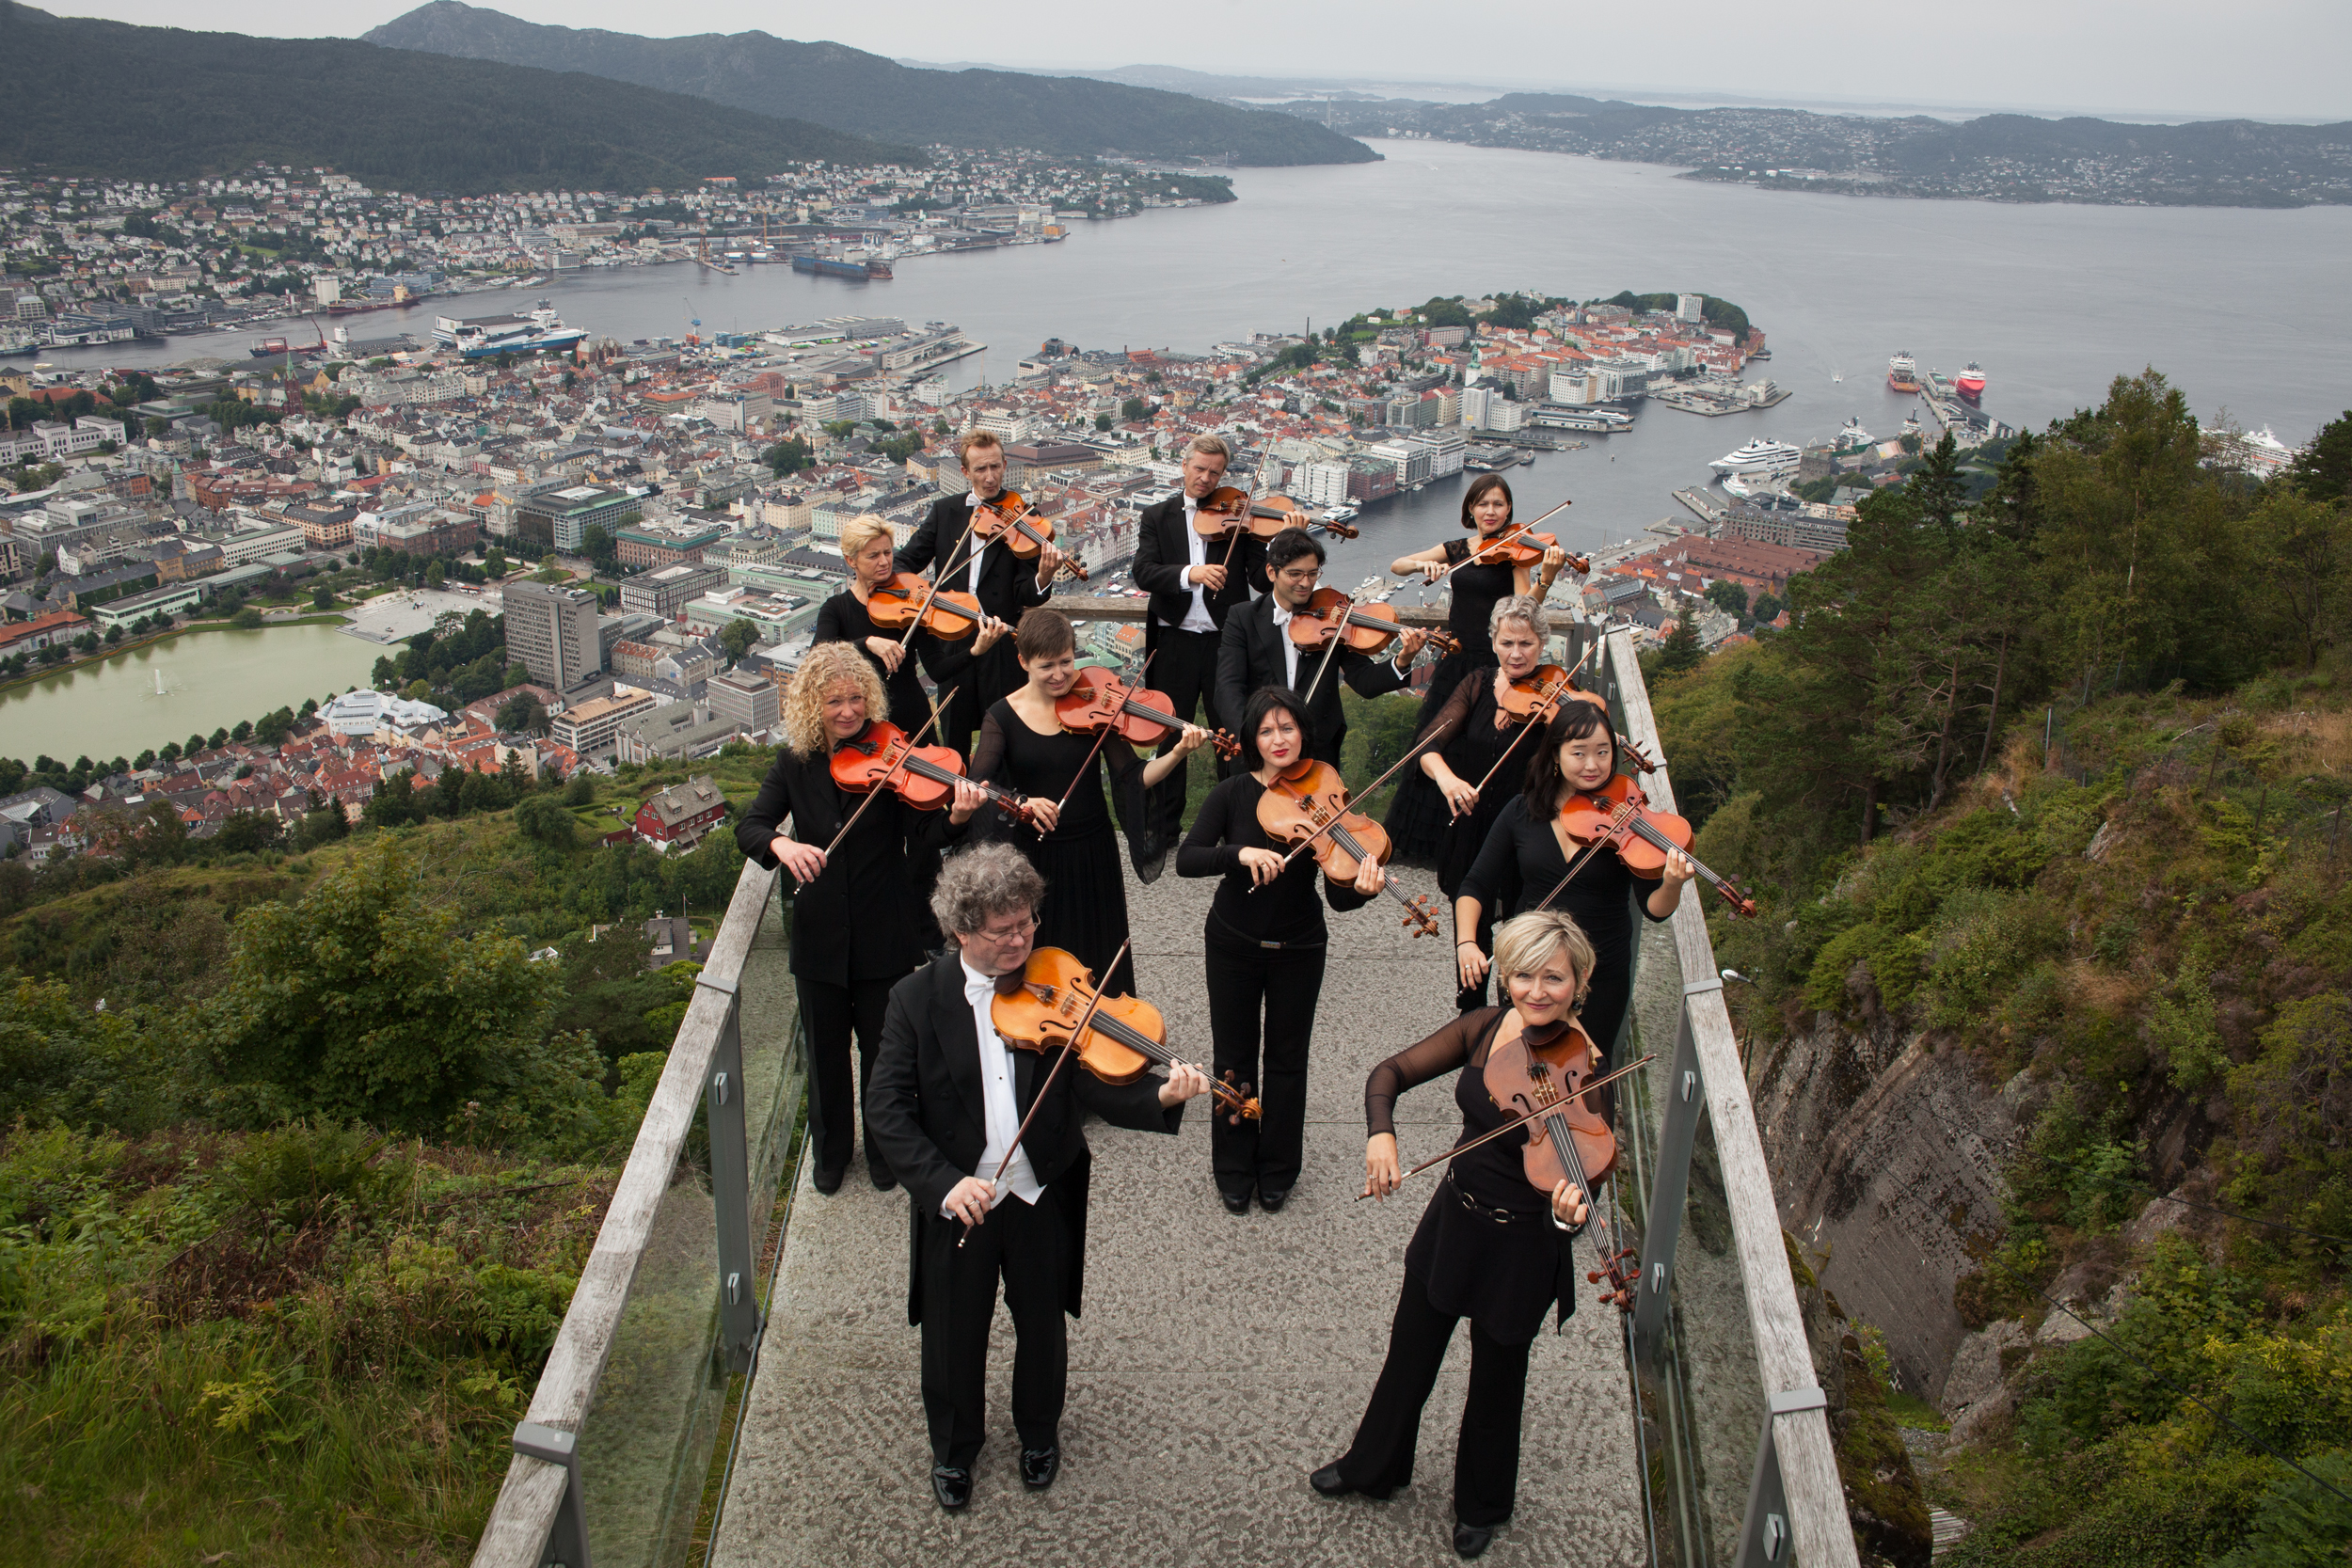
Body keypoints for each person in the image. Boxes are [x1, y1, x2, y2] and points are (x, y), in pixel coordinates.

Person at [864, 842, 1211, 1510]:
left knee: (1043, 1325)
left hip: (1039, 1188)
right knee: (952, 1332)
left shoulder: (1054, 979)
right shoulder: (914, 998)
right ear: (962, 929)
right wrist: (942, 1184)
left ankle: (1039, 1433)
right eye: (1004, 930)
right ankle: (955, 1448)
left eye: (1027, 922)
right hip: (962, 1198)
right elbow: (884, 1108)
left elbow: (1093, 1080)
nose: (1021, 938)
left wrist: (1160, 1098)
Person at [1311, 910, 1601, 1560]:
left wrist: (1570, 1208)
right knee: (1410, 1351)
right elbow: (1388, 1073)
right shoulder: (1486, 1026)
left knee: (1498, 1379)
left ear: (1578, 981)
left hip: (1523, 1244)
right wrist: (1380, 1133)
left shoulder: (1587, 1065)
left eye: (1552, 978)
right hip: (1455, 1216)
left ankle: (1483, 1504)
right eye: (1522, 974)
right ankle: (1374, 1466)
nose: (1536, 991)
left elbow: (1591, 1172)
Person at [737, 643, 988, 1195]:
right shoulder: (793, 766)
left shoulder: (892, 755)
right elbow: (751, 827)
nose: (848, 712)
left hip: (884, 924)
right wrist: (781, 846)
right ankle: (829, 1156)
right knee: (826, 1057)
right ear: (811, 706)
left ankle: (885, 1152)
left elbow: (922, 836)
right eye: (834, 702)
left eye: (856, 699)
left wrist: (956, 817)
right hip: (820, 934)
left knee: (884, 1056)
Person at [1176, 687, 1384, 1213]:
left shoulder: (1325, 789)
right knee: (1234, 1058)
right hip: (1232, 944)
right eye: (1266, 730)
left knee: (1289, 1060)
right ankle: (1233, 1166)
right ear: (1252, 740)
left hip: (1300, 943)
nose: (1278, 739)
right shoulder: (1233, 794)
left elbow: (1337, 899)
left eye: (1287, 728)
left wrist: (1358, 888)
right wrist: (1238, 852)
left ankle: (1278, 1168)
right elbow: (1187, 858)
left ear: (1303, 733)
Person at [1454, 701, 1692, 1092]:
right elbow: (1475, 884)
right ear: (1554, 756)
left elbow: (1655, 911)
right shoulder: (1522, 812)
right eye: (1578, 753)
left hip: (1596, 974)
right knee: (1518, 1073)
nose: (1592, 764)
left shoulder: (1627, 823)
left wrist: (1672, 883)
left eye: (1602, 752)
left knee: (1587, 1079)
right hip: (1531, 965)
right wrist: (1466, 942)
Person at [973, 607, 1209, 1000]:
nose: (1061, 675)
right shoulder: (1001, 717)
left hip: (1093, 850)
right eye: (1047, 666)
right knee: (1045, 954)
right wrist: (1022, 802)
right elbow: (981, 787)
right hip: (1035, 857)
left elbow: (1133, 777)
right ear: (1023, 662)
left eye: (1067, 661)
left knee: (1099, 953)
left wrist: (1177, 753)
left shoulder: (1093, 705)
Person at [1384, 476, 1575, 863]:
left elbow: (1526, 606)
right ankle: (1427, 844)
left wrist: (1547, 578)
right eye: (1483, 503)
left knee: (1482, 750)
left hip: (1495, 664)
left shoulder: (1516, 551)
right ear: (1470, 509)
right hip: (1456, 659)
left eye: (1499, 504)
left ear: (1509, 510)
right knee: (1434, 742)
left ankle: (1476, 842)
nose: (1491, 511)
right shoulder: (1462, 548)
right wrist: (1425, 565)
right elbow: (1398, 565)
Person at [1408, 595, 1556, 1012]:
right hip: (1473, 828)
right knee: (1472, 942)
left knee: (1521, 946)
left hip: (1528, 832)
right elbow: (1428, 744)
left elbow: (1584, 744)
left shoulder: (1556, 696)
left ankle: (1516, 1024)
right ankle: (1472, 1026)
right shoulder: (1476, 683)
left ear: (1541, 645)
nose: (1516, 653)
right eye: (1507, 642)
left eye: (1525, 644)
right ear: (1493, 642)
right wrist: (1449, 779)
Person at [896, 430, 1067, 752]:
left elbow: (1026, 594)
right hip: (952, 638)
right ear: (965, 472)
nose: (990, 478)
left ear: (1004, 465)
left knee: (1006, 735)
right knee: (955, 736)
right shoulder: (945, 511)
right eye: (980, 470)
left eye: (995, 467)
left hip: (1001, 641)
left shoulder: (1024, 519)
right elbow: (906, 560)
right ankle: (957, 802)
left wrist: (1044, 575)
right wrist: (914, 592)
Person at [1131, 433, 1264, 843]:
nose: (1206, 479)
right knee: (1171, 734)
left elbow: (1260, 579)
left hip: (1226, 643)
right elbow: (1144, 572)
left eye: (1215, 472)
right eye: (1200, 469)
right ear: (1184, 466)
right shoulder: (1157, 515)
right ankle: (1164, 831)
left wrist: (1273, 539)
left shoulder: (1240, 519)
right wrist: (1192, 573)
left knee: (1235, 734)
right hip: (1174, 643)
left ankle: (1237, 830)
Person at [1215, 527, 1426, 767]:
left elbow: (1365, 682)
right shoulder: (1242, 617)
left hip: (1317, 747)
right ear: (1272, 572)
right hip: (1260, 748)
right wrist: (1251, 736)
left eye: (1313, 574)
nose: (1306, 583)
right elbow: (1228, 687)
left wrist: (1403, 660)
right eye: (1295, 574)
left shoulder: (1332, 619)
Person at [814, 512, 1009, 735]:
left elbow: (937, 669)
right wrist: (866, 643)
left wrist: (976, 651)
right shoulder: (836, 608)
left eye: (888, 552)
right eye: (873, 555)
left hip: (912, 717)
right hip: (860, 722)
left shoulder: (909, 603)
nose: (885, 562)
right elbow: (818, 657)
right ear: (851, 560)